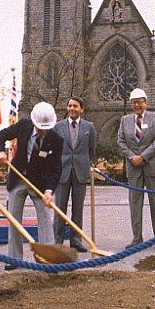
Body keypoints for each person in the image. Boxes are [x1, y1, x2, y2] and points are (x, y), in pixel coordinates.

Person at [0, 102, 63, 270]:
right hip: (18, 179)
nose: (43, 131)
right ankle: (14, 259)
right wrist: (1, 152)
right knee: (14, 219)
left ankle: (48, 260)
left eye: (46, 128)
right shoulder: (23, 126)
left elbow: (56, 169)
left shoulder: (56, 140)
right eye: (40, 128)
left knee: (46, 219)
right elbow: (2, 135)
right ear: (34, 122)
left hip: (39, 184)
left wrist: (49, 190)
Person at [117, 88, 155, 250]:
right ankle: (137, 238)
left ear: (145, 102)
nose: (137, 105)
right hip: (134, 168)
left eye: (140, 102)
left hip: (153, 167)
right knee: (135, 205)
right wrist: (132, 156)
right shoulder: (125, 120)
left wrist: (143, 157)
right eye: (134, 103)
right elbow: (120, 141)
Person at [52, 96, 96, 252]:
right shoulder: (58, 127)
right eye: (69, 106)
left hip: (80, 173)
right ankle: (57, 241)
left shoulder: (89, 127)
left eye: (75, 106)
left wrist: (86, 164)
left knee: (78, 210)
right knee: (59, 209)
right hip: (62, 173)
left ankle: (76, 241)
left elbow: (91, 150)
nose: (71, 108)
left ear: (81, 109)